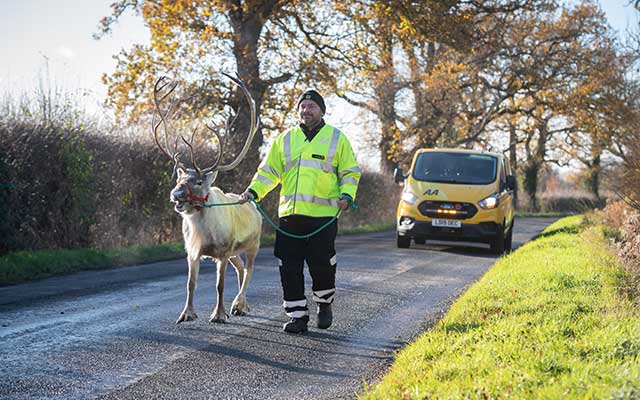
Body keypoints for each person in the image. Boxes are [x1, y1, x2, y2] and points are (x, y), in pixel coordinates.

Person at [239, 89, 361, 334]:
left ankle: (324, 304)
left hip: (323, 218)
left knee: (322, 264)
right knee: (289, 266)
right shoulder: (285, 139)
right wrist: (254, 191)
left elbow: (350, 172)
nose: (306, 110)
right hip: (290, 217)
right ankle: (297, 316)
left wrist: (347, 195)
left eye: (311, 106)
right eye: (303, 106)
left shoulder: (337, 139)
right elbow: (269, 172)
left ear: (322, 110)